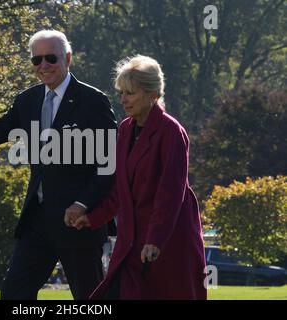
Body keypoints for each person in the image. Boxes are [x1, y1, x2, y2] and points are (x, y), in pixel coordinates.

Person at [0, 30, 117, 300]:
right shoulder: (27, 100)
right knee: (13, 294)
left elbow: (110, 166)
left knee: (91, 300)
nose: (43, 66)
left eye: (50, 58)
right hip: (37, 222)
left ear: (67, 58)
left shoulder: (94, 102)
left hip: (78, 222)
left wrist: (83, 204)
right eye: (36, 60)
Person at [65, 55, 207, 299]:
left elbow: (170, 193)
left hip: (166, 245)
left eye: (130, 93)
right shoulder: (126, 129)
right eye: (121, 92)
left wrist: (156, 240)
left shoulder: (171, 132)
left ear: (153, 94)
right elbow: (121, 190)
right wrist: (93, 218)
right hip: (131, 246)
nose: (123, 100)